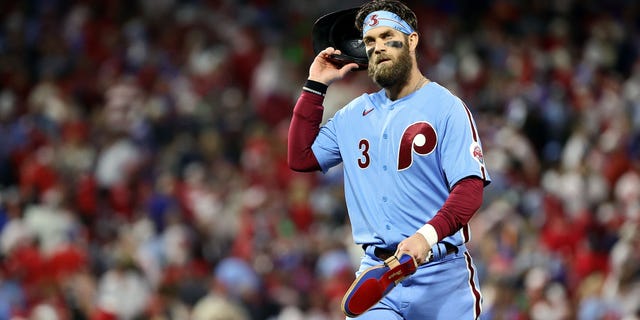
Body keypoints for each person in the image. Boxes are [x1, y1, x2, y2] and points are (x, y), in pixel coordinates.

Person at [287, 0, 491, 319]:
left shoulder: (446, 108)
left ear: (412, 40)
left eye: (386, 36)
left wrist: (426, 236)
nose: (377, 47)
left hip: (442, 280)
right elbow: (301, 157)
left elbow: (470, 189)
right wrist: (315, 85)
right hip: (380, 278)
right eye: (370, 41)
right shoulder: (354, 114)